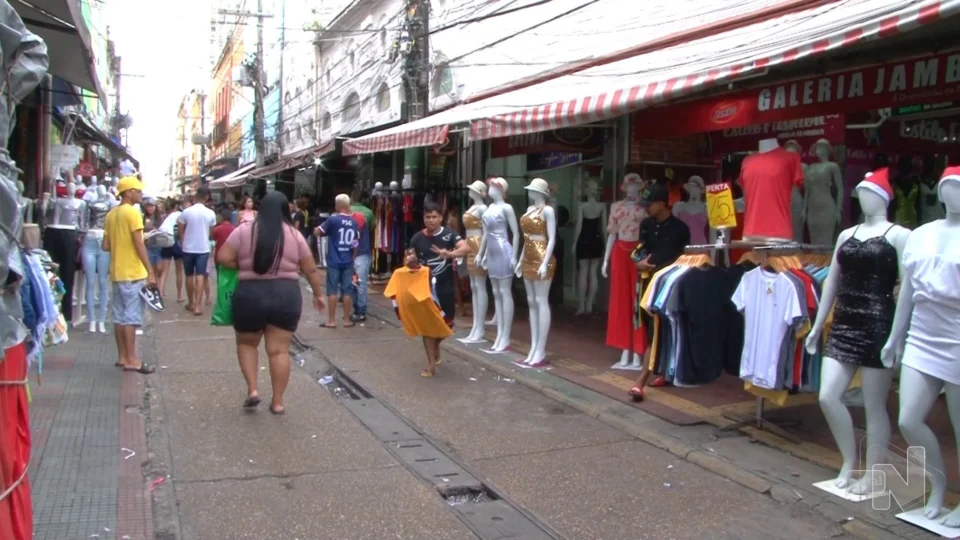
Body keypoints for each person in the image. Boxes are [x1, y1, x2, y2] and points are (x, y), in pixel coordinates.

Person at [216, 191, 326, 414]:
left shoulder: (244, 230)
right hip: (285, 295)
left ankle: (253, 390)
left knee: (247, 344)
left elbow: (223, 257)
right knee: (279, 351)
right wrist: (318, 294)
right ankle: (277, 402)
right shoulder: (295, 235)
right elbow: (310, 269)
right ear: (286, 211)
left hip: (250, 294)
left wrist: (244, 266)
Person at [628, 182, 691, 401]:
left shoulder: (680, 229)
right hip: (647, 283)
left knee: (658, 332)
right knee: (650, 330)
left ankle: (641, 379)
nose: (646, 209)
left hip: (668, 287)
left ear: (662, 204)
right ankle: (663, 371)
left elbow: (679, 257)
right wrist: (638, 262)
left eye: (649, 204)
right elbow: (640, 249)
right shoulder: (646, 224)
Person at [101, 176, 156, 374]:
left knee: (118, 316)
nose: (141, 194)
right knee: (131, 318)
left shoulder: (111, 214)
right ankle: (133, 360)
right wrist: (150, 271)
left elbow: (105, 245)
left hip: (116, 272)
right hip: (133, 272)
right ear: (128, 193)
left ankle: (123, 357)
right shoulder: (132, 213)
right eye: (138, 191)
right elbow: (138, 244)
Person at [386, 247, 454, 377]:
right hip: (422, 307)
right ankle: (431, 365)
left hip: (442, 296)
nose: (409, 256)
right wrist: (398, 311)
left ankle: (435, 347)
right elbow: (393, 293)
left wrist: (416, 267)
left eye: (412, 254)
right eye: (406, 255)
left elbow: (428, 281)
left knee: (449, 325)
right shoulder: (399, 273)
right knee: (427, 332)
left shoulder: (426, 270)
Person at [407, 201, 471, 335]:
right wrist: (411, 261)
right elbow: (408, 260)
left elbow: (466, 248)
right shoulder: (417, 238)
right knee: (428, 329)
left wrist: (449, 254)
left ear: (441, 218)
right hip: (424, 289)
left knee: (447, 325)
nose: (431, 220)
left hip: (445, 288)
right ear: (423, 218)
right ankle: (433, 356)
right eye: (427, 217)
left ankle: (435, 353)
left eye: (434, 217)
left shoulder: (449, 234)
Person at [314, 194, 360, 328]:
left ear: (337, 206)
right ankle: (346, 320)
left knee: (332, 290)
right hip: (348, 260)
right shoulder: (354, 222)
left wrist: (319, 230)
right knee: (347, 291)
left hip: (334, 261)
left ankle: (332, 320)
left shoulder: (332, 220)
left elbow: (318, 232)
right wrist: (353, 257)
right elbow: (355, 243)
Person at [177, 186, 216, 316]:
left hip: (188, 248)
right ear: (207, 197)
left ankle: (191, 303)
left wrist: (183, 243)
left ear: (196, 196)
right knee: (200, 275)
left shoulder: (186, 212)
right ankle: (198, 306)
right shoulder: (210, 213)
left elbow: (180, 230)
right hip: (203, 249)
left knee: (189, 275)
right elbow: (211, 232)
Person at [350, 190, 375, 323]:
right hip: (363, 252)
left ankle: (356, 308)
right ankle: (361, 311)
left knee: (351, 282)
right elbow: (372, 228)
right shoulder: (369, 212)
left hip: (347, 254)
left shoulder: (346, 212)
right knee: (361, 283)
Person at [211, 208, 236, 276]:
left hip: (219, 256)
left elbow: (212, 239)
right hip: (232, 257)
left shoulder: (217, 229)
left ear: (221, 217)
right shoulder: (235, 229)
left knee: (219, 276)